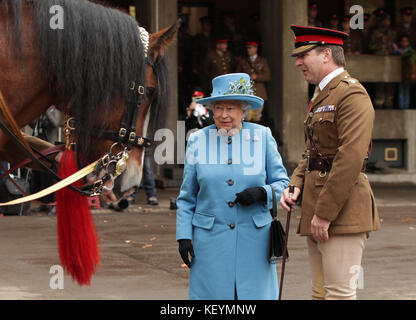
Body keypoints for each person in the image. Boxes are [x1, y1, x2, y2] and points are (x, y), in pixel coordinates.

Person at [280, 25, 381, 300]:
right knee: (320, 293)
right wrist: (295, 183)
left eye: (304, 55)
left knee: (338, 294)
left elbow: (350, 158)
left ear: (326, 54)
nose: (298, 62)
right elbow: (312, 150)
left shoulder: (351, 94)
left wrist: (324, 213)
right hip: (319, 206)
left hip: (342, 210)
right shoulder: (323, 94)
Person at [176, 73, 290, 300]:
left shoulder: (263, 136)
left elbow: (283, 183)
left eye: (230, 108)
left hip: (255, 241)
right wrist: (183, 236)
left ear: (243, 109)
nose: (223, 114)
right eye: (218, 108)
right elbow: (187, 196)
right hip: (209, 241)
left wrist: (263, 192)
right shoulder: (198, 140)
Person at [237, 40, 271, 122]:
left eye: (250, 48)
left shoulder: (262, 61)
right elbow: (238, 76)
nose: (248, 50)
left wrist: (257, 77)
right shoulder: (243, 62)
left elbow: (267, 76)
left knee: (257, 117)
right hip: (247, 93)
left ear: (256, 48)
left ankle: (256, 134)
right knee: (247, 117)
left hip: (259, 93)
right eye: (247, 48)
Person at [368, 11, 397, 108]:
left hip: (391, 60)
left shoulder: (393, 32)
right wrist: (380, 42)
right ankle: (379, 102)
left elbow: (397, 46)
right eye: (385, 20)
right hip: (379, 60)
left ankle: (389, 101)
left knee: (390, 82)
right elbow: (371, 46)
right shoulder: (375, 32)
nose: (387, 22)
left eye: (388, 20)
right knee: (380, 82)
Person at [394, 34, 414, 109]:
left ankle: (406, 106)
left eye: (406, 41)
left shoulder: (411, 52)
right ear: (400, 42)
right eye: (403, 41)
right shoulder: (398, 51)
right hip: (400, 73)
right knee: (401, 90)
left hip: (408, 73)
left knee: (407, 90)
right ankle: (401, 106)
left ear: (408, 43)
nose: (405, 43)